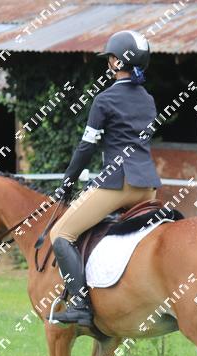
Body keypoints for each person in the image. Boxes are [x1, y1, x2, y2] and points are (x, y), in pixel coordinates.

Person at [49, 30, 162, 327]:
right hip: (148, 188)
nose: (108, 62)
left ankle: (80, 305)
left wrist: (68, 183)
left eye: (110, 58)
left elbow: (86, 147)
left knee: (60, 234)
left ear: (116, 61)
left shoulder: (105, 99)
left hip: (118, 185)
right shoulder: (148, 100)